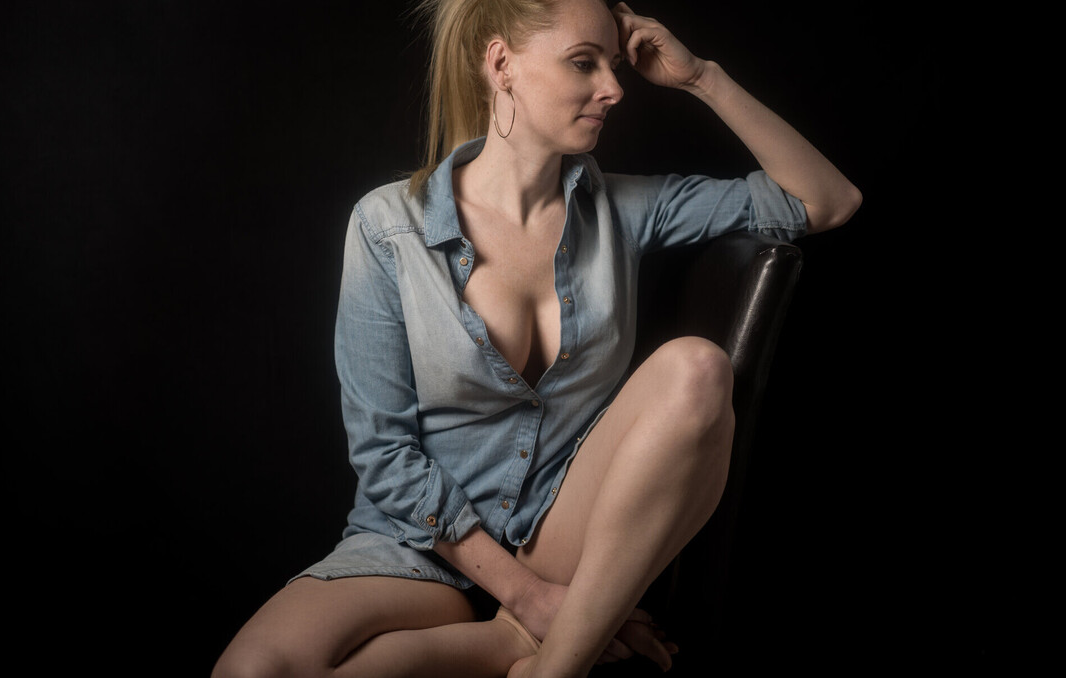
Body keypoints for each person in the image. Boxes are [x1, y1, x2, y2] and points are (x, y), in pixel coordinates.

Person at [212, 0, 861, 676]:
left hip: (558, 534)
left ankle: (554, 667)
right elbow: (383, 453)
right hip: (420, 546)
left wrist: (701, 77)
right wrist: (527, 600)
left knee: (697, 369)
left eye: (613, 66)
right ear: (502, 65)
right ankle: (519, 639)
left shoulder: (627, 209)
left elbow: (829, 200)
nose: (613, 88)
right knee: (250, 672)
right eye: (584, 63)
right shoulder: (387, 228)